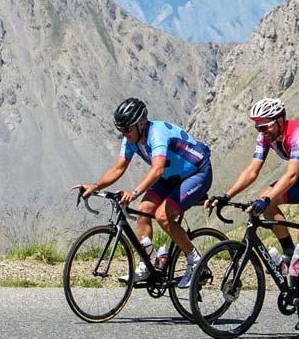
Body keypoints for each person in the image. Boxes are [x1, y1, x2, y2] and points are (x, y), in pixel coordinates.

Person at [206, 98, 299, 330]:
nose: (261, 131)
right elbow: (252, 170)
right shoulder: (267, 137)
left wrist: (266, 200)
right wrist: (227, 194)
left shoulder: (298, 134)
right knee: (267, 196)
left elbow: (292, 175)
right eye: (257, 127)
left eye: (265, 126)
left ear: (280, 120)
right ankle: (290, 252)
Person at [74, 98, 213, 288]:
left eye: (127, 129)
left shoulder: (157, 133)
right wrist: (96, 186)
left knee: (163, 216)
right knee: (143, 211)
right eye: (121, 130)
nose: (124, 134)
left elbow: (157, 169)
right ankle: (148, 264)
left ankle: (196, 262)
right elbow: (118, 168)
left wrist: (134, 191)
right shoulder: (131, 138)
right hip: (171, 176)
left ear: (141, 123)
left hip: (197, 172)